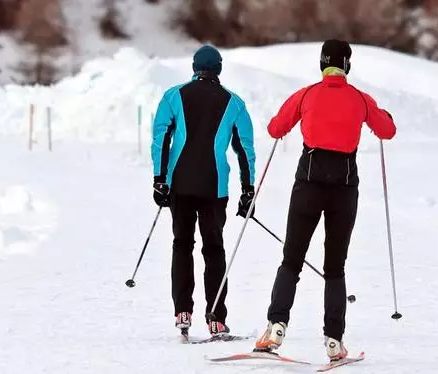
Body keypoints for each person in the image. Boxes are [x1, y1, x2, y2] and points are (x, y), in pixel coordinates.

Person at [254, 39, 396, 360]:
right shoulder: (360, 99)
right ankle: (334, 340)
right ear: (347, 65)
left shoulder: (306, 94)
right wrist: (383, 114)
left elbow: (276, 129)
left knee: (292, 258)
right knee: (335, 267)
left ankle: (276, 326)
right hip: (344, 190)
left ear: (322, 64)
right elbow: (387, 130)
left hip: (308, 185)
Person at [151, 44, 257, 337]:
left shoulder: (173, 96)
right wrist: (248, 190)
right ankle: (216, 318)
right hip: (214, 187)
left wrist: (160, 179)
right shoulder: (233, 103)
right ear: (219, 69)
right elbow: (245, 150)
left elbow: (161, 138)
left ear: (195, 68)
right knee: (214, 249)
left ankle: (182, 311)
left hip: (180, 185)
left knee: (181, 244)